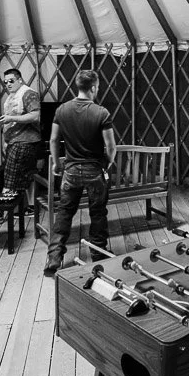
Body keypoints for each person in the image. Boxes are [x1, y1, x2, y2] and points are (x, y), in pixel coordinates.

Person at [45, 69, 117, 276]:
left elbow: (53, 140)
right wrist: (107, 164)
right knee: (98, 213)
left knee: (64, 213)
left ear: (77, 85)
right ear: (94, 87)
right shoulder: (101, 113)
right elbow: (110, 146)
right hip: (94, 172)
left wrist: (58, 164)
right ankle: (98, 254)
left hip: (71, 171)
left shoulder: (62, 110)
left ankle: (54, 258)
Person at [0, 67, 42, 223]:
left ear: (20, 80)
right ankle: (30, 207)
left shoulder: (29, 94)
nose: (8, 84)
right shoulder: (13, 96)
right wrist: (6, 140)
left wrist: (11, 118)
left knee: (10, 177)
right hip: (18, 141)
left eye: (11, 81)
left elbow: (36, 115)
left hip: (24, 142)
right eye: (5, 82)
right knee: (27, 175)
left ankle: (0, 212)